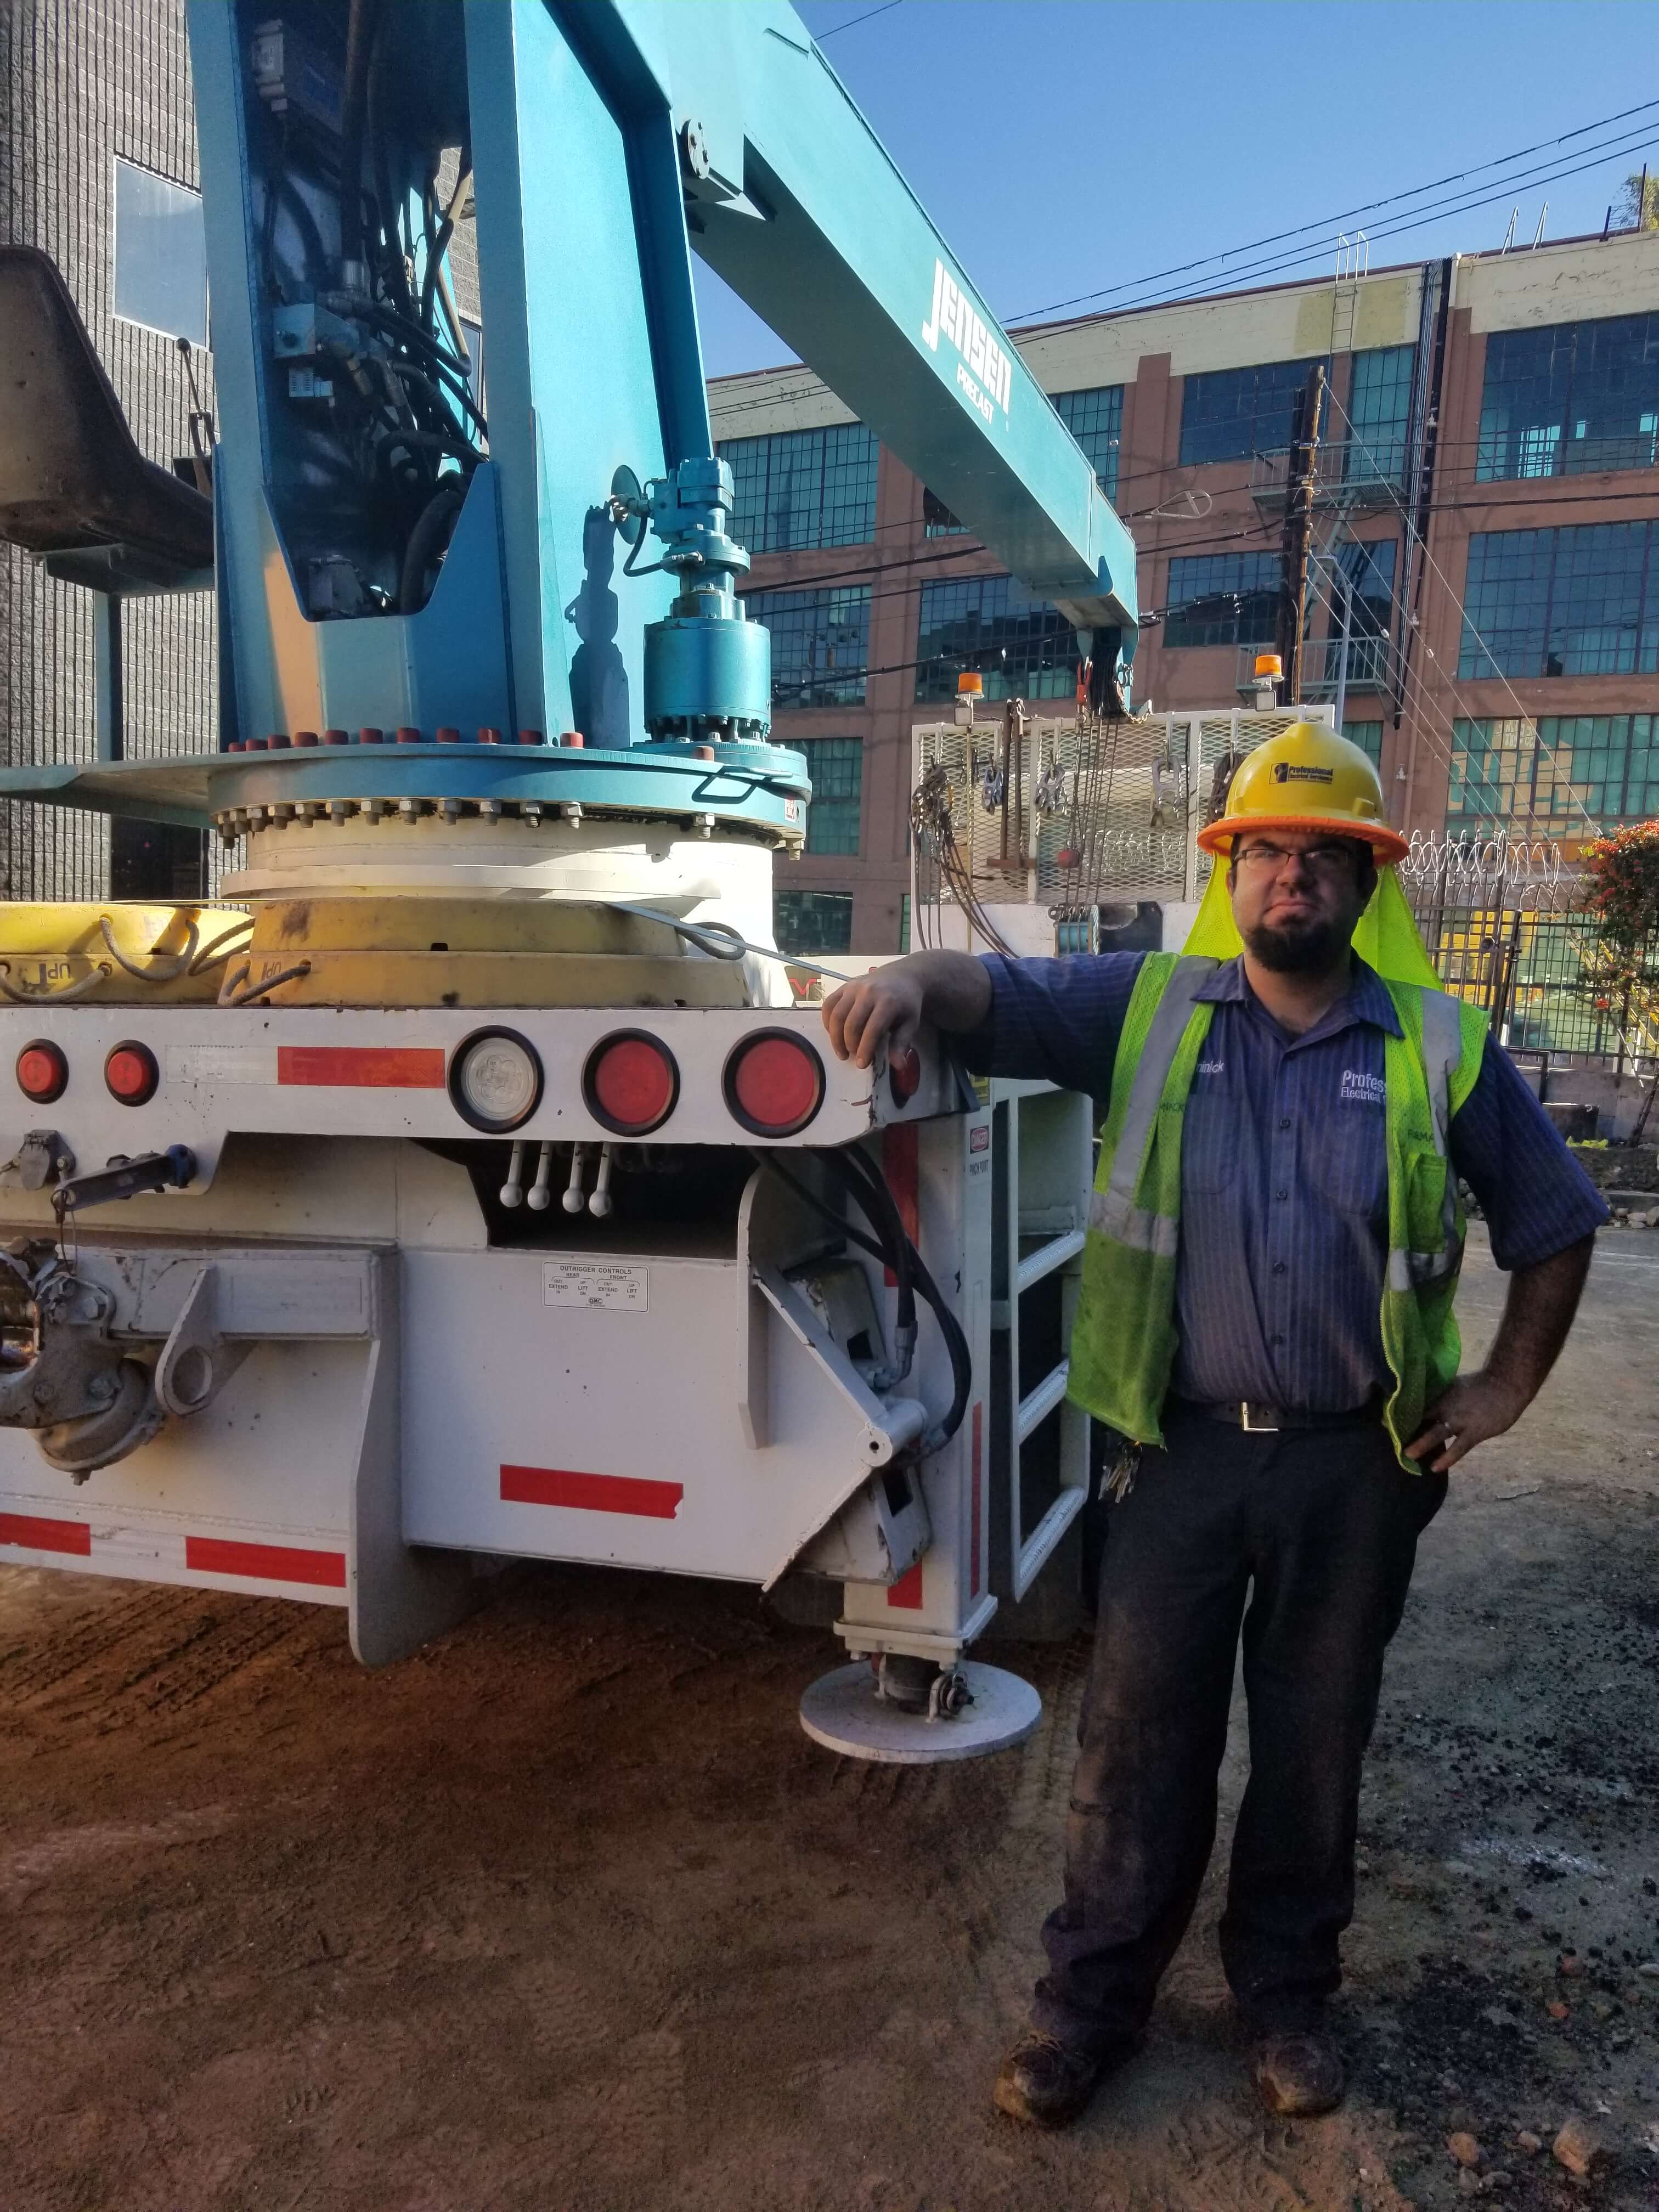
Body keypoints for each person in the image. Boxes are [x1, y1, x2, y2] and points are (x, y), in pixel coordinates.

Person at [820, 724, 1606, 2130]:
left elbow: (1558, 1222)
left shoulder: (1437, 1045)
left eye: (1323, 858)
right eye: (1266, 854)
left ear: (1369, 885)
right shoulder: (1145, 1008)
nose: (1290, 879)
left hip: (1358, 1468)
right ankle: (1089, 2012)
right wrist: (896, 976)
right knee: (1137, 1747)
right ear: (1228, 872)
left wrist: (1501, 1392)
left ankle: (1288, 2003)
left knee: (1314, 1746)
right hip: (1176, 1456)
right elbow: (981, 989)